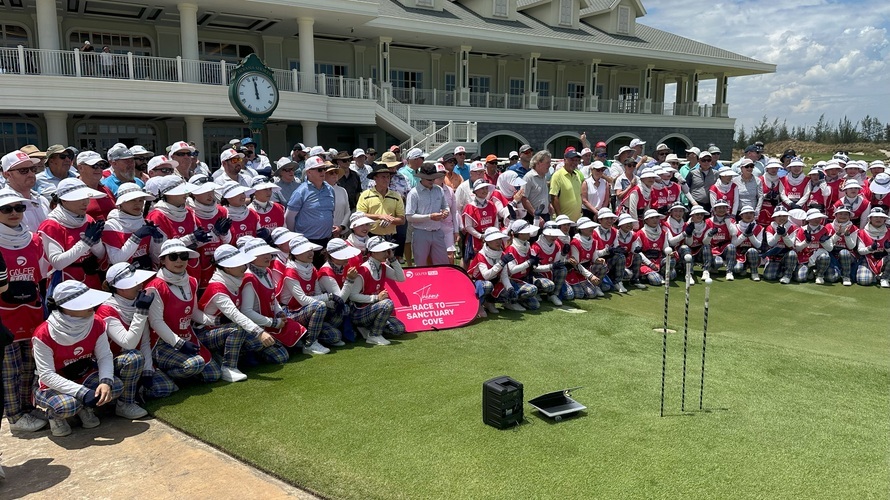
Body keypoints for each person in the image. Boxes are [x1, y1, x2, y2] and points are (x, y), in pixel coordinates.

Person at [33, 280, 122, 437]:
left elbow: (104, 356)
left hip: (83, 374)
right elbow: (47, 375)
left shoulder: (96, 322)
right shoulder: (43, 334)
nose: (92, 305)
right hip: (52, 384)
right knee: (68, 405)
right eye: (85, 302)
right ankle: (55, 416)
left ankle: (84, 407)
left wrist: (105, 381)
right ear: (68, 307)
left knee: (114, 387)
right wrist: (82, 392)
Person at [0, 189, 50, 434]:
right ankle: (14, 415)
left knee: (30, 365)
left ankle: (27, 407)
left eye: (19, 208)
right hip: (4, 315)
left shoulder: (34, 240)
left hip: (31, 310)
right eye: (6, 209)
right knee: (10, 370)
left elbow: (40, 277)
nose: (14, 213)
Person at [197, 244, 284, 381]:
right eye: (240, 263)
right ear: (227, 267)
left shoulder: (234, 279)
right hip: (205, 333)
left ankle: (227, 355)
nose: (244, 266)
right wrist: (259, 332)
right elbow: (235, 315)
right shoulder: (218, 287)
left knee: (278, 354)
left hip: (225, 328)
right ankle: (228, 367)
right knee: (238, 328)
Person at [97, 263, 173, 416]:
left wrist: (147, 370)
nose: (140, 285)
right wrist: (141, 312)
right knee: (134, 357)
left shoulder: (137, 303)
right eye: (134, 283)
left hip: (134, 362)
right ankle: (124, 403)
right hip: (113, 364)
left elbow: (145, 342)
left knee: (166, 387)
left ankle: (133, 389)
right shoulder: (106, 310)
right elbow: (129, 343)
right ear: (120, 288)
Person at [145, 239, 221, 384]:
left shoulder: (192, 281)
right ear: (162, 260)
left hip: (188, 338)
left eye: (184, 256)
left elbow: (193, 312)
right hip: (161, 343)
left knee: (213, 375)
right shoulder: (155, 287)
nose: (179, 261)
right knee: (195, 364)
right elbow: (156, 323)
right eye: (173, 257)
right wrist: (180, 344)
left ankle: (186, 373)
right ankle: (166, 374)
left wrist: (216, 320)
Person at [276, 236, 344, 354]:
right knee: (320, 306)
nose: (311, 253)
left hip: (307, 310)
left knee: (335, 335)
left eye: (311, 250)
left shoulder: (312, 268)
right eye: (306, 251)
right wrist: (330, 296)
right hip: (290, 312)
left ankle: (305, 336)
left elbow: (317, 294)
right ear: (296, 254)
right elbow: (302, 300)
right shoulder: (290, 272)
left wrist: (332, 302)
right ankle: (310, 344)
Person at [39, 178, 108, 290]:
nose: (86, 202)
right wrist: (86, 242)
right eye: (79, 198)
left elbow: (101, 255)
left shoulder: (88, 219)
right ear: (64, 200)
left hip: (92, 279)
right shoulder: (51, 225)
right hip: (66, 286)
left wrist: (96, 243)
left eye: (86, 197)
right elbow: (58, 263)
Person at [239, 237, 306, 350]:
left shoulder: (268, 271)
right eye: (262, 254)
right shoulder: (249, 278)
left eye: (268, 253)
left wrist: (279, 312)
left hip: (272, 320)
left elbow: (272, 298)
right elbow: (247, 311)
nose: (268, 257)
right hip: (259, 326)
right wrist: (273, 323)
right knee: (281, 356)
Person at [146, 176, 211, 282]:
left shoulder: (189, 212)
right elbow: (158, 252)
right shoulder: (157, 216)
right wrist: (191, 239)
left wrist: (214, 233)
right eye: (182, 191)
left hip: (192, 271)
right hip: (169, 277)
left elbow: (197, 241)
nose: (187, 194)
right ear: (169, 194)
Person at [346, 236, 406, 343]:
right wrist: (376, 298)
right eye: (383, 251)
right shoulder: (363, 270)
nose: (386, 254)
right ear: (373, 252)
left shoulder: (382, 266)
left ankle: (367, 328)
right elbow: (352, 296)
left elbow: (401, 278)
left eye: (387, 251)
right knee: (387, 304)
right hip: (359, 312)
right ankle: (374, 335)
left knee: (399, 329)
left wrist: (393, 259)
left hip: (374, 309)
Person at [286, 156, 336, 267]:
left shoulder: (330, 190)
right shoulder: (301, 191)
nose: (323, 172)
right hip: (307, 243)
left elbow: (331, 213)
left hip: (326, 241)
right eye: (319, 169)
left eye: (324, 169)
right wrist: (296, 238)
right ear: (309, 172)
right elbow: (289, 217)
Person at [102, 182, 159, 268]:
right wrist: (136, 237)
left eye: (141, 200)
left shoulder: (146, 223)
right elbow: (116, 260)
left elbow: (156, 259)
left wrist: (158, 242)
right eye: (132, 200)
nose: (138, 204)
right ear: (120, 203)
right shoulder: (111, 225)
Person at [405, 163, 450, 266]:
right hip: (421, 232)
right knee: (421, 263)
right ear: (422, 178)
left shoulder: (438, 189)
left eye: (433, 178)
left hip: (437, 231)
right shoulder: (414, 193)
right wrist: (429, 217)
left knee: (442, 263)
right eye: (429, 179)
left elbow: (445, 205)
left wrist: (445, 211)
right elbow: (409, 216)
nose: (432, 181)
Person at [1, 150, 51, 232]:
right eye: (23, 170)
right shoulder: (3, 203)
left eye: (33, 169)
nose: (31, 174)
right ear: (7, 174)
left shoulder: (42, 200)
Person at [564, 216, 605, 298]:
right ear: (582, 229)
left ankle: (595, 285)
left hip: (586, 270)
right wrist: (590, 276)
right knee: (580, 294)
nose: (592, 228)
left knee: (603, 266)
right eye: (588, 227)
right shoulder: (575, 242)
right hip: (575, 271)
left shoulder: (593, 241)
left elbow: (594, 258)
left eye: (592, 226)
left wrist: (598, 260)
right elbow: (576, 264)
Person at [635, 209, 674, 286]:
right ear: (646, 220)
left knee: (672, 266)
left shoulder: (663, 233)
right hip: (645, 263)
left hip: (658, 260)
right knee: (656, 281)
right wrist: (650, 264)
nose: (655, 220)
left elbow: (666, 248)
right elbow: (638, 253)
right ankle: (647, 275)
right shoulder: (640, 233)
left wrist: (670, 254)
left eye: (657, 217)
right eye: (652, 218)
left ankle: (659, 273)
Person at [74, 151, 116, 221]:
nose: (99, 169)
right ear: (80, 168)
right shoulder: (74, 192)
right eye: (94, 165)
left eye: (101, 165)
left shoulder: (106, 190)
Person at [855, 208, 890, 287]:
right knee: (864, 281)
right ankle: (877, 276)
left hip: (884, 260)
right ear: (870, 219)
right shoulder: (862, 232)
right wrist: (870, 248)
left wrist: (888, 249)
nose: (878, 219)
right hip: (867, 260)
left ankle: (885, 278)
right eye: (875, 217)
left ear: (885, 219)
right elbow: (860, 251)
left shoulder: (889, 231)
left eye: (881, 217)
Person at [763, 209, 799, 284]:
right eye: (779, 216)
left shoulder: (793, 227)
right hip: (774, 256)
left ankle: (787, 275)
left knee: (792, 254)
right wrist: (778, 233)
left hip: (787, 255)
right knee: (769, 276)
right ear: (774, 217)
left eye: (784, 216)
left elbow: (791, 245)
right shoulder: (770, 227)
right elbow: (770, 243)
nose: (782, 218)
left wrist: (784, 234)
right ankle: (781, 270)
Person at [828, 206, 860, 286]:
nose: (843, 216)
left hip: (848, 255)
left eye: (846, 214)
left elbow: (851, 247)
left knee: (844, 253)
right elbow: (828, 244)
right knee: (831, 278)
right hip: (832, 254)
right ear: (835, 215)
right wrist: (837, 234)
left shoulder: (854, 228)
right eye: (840, 214)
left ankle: (846, 276)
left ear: (849, 216)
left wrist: (847, 235)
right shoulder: (828, 226)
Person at [549, 148, 584, 220]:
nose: (574, 162)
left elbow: (579, 194)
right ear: (565, 160)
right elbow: (554, 197)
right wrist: (560, 217)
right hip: (564, 221)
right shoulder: (557, 175)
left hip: (577, 220)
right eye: (572, 160)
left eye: (576, 160)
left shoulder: (577, 174)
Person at [730, 206, 763, 281]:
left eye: (751, 213)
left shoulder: (759, 227)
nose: (749, 215)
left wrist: (750, 234)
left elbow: (758, 245)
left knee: (752, 250)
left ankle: (754, 273)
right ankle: (744, 267)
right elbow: (734, 244)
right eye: (746, 213)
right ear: (741, 215)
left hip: (753, 254)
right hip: (739, 254)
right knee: (737, 269)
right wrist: (744, 235)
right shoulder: (735, 226)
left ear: (754, 215)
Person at [324, 163, 351, 238]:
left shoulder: (343, 190)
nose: (334, 174)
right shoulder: (320, 191)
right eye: (331, 173)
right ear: (324, 175)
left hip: (341, 232)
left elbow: (347, 211)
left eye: (336, 172)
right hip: (325, 232)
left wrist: (341, 227)